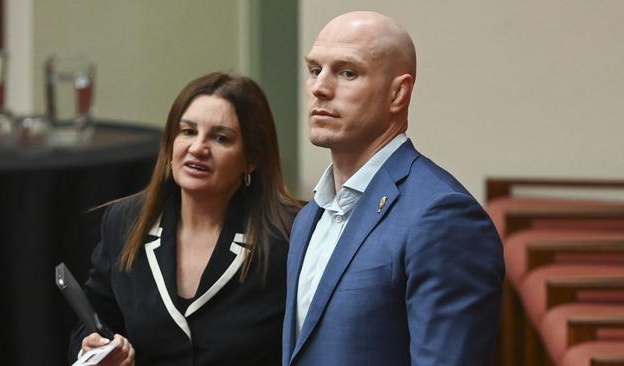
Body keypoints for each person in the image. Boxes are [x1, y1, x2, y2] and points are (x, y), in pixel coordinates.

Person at [283, 11, 504, 366]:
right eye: (314, 70)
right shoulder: (309, 216)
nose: (320, 87)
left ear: (398, 93)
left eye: (347, 72)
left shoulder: (442, 215)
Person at [70, 72, 302, 365]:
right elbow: (95, 318)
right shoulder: (126, 221)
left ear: (251, 158)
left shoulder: (291, 234)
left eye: (220, 138)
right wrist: (92, 349)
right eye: (188, 131)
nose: (197, 148)